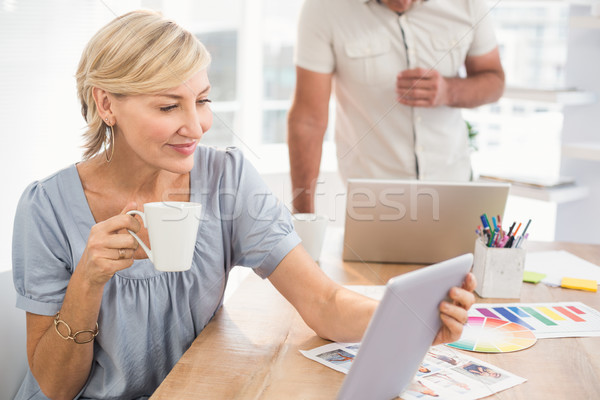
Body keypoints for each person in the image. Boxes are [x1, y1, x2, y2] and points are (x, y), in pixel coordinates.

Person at [12, 10, 476, 400]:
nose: (196, 126)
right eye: (168, 107)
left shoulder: (225, 178)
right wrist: (87, 282)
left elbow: (323, 301)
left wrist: (412, 322)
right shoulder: (46, 208)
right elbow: (56, 386)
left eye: (203, 100)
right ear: (106, 104)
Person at [288, 0, 505, 212]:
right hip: (373, 204)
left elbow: (494, 80)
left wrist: (449, 91)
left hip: (456, 193)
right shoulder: (324, 7)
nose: (403, 3)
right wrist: (302, 218)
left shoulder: (468, 4)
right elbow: (308, 120)